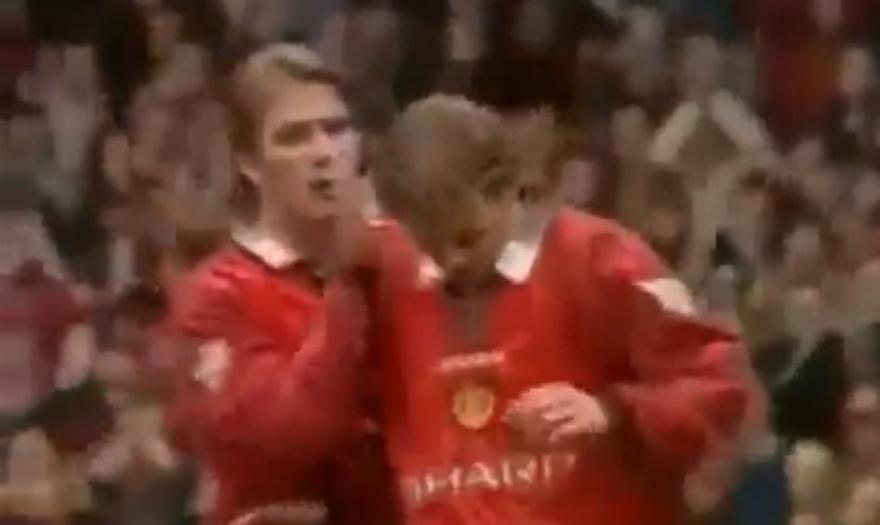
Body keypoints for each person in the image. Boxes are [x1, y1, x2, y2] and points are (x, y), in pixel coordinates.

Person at [356, 95, 757, 524]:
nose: (452, 260)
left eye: (469, 237)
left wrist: (611, 412)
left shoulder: (599, 259)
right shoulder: (386, 273)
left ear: (507, 189)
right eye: (430, 245)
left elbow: (717, 381)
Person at [164, 44, 397, 525]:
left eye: (336, 129)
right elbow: (289, 436)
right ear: (249, 163)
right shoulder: (216, 295)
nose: (323, 152)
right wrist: (350, 279)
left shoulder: (409, 261)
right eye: (293, 137)